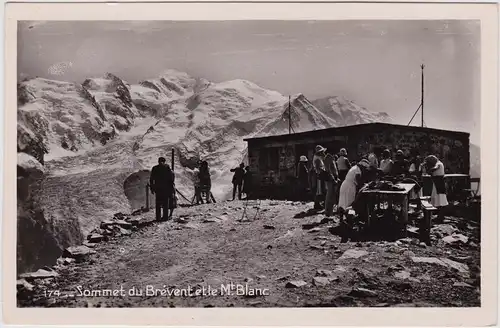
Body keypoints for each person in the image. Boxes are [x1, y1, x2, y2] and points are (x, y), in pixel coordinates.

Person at [150, 157, 175, 221]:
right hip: (165, 188)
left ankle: (158, 217)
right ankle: (165, 217)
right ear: (164, 161)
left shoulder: (154, 168)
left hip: (158, 188)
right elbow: (171, 178)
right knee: (165, 203)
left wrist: (152, 188)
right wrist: (171, 187)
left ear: (158, 161)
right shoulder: (167, 167)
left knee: (158, 203)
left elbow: (151, 179)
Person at [424, 155, 449, 219]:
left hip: (440, 184)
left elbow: (435, 168)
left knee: (441, 200)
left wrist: (430, 170)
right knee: (437, 200)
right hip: (436, 184)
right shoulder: (437, 163)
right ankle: (439, 215)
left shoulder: (438, 164)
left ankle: (441, 216)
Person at [323, 151, 340, 217]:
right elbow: (329, 171)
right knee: (330, 196)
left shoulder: (331, 158)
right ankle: (328, 212)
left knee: (332, 196)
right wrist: (333, 179)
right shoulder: (328, 159)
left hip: (333, 179)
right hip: (331, 180)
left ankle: (330, 212)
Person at [313, 145, 327, 210]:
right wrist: (324, 171)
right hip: (319, 175)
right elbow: (318, 168)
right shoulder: (317, 159)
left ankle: (319, 203)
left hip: (320, 174)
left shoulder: (318, 158)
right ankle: (317, 204)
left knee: (320, 190)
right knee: (319, 190)